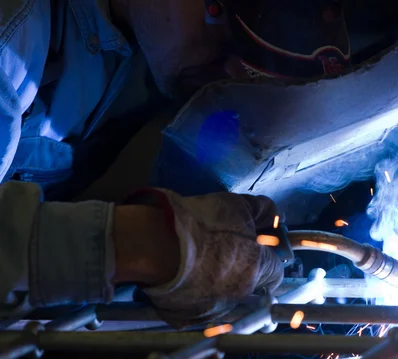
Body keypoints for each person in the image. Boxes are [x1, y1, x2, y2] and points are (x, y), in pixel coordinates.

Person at [0, 0, 351, 327]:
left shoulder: (146, 49)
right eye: (218, 13)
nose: (231, 69)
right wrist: (146, 244)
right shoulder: (15, 34)